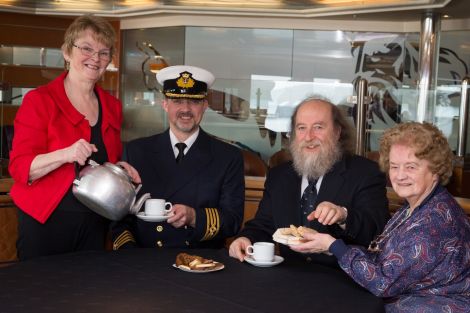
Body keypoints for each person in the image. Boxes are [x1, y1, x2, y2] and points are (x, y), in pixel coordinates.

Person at [291, 122, 470, 312]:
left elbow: (382, 283)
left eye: (411, 167)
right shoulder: (415, 206)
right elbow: (384, 258)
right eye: (394, 166)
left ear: (436, 170)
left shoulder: (433, 224)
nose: (400, 176)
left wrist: (333, 246)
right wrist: (329, 247)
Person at [8, 14, 140, 260]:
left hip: (95, 220)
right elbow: (19, 168)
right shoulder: (39, 101)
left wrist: (120, 169)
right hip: (46, 220)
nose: (95, 58)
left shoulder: (112, 105)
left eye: (103, 52)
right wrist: (65, 154)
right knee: (41, 294)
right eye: (87, 49)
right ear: (67, 52)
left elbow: (102, 161)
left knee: (87, 295)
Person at [229, 96, 390, 265]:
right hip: (288, 277)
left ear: (337, 132)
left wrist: (344, 216)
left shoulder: (365, 173)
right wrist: (246, 238)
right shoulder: (279, 176)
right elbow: (263, 225)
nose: (308, 137)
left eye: (318, 127)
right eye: (301, 128)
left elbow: (376, 232)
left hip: (341, 281)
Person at [111, 65, 245, 250]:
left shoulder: (228, 157)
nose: (185, 109)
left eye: (194, 101)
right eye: (177, 101)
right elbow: (119, 216)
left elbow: (232, 221)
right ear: (164, 104)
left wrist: (194, 217)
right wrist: (129, 254)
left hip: (200, 263)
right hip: (145, 261)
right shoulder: (136, 151)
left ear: (205, 106)